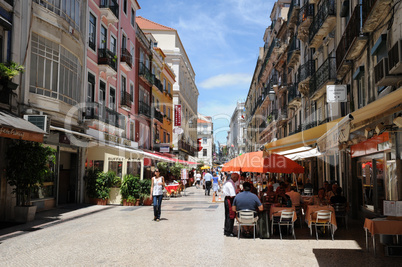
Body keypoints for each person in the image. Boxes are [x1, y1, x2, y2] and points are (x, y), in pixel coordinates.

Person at [222, 173, 239, 237]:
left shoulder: (229, 182)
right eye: (237, 178)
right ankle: (229, 231)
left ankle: (227, 230)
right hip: (229, 200)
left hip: (228, 199)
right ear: (234, 177)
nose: (237, 180)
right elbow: (232, 195)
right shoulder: (230, 184)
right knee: (230, 215)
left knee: (228, 215)